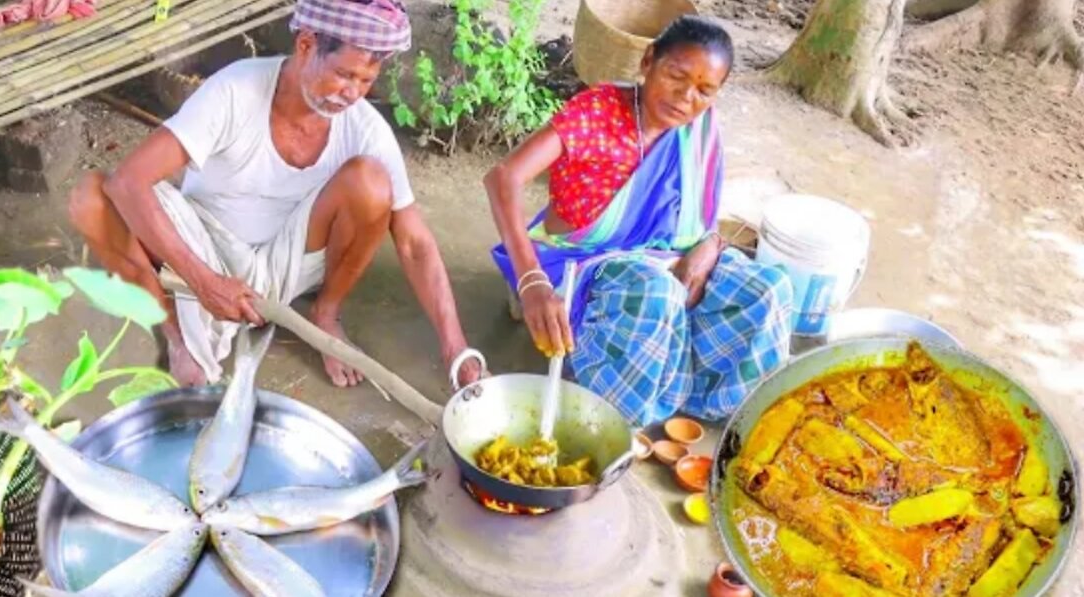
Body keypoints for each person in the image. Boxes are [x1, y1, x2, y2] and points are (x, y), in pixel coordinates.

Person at [70, 0, 483, 388]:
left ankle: (325, 314)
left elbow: (414, 244)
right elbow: (127, 182)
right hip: (205, 246)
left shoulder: (364, 129)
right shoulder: (235, 90)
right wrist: (205, 280)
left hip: (288, 263)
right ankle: (179, 339)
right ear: (306, 44)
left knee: (372, 184)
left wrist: (455, 347)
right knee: (92, 197)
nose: (352, 93)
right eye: (343, 74)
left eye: (366, 81)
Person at [484, 16, 794, 425]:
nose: (686, 98)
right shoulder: (596, 113)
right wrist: (532, 281)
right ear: (649, 61)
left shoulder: (698, 128)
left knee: (769, 290)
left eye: (705, 91)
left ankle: (700, 401)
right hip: (587, 261)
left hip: (663, 255)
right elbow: (502, 179)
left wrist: (708, 246)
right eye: (676, 76)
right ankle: (618, 414)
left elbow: (699, 218)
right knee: (655, 294)